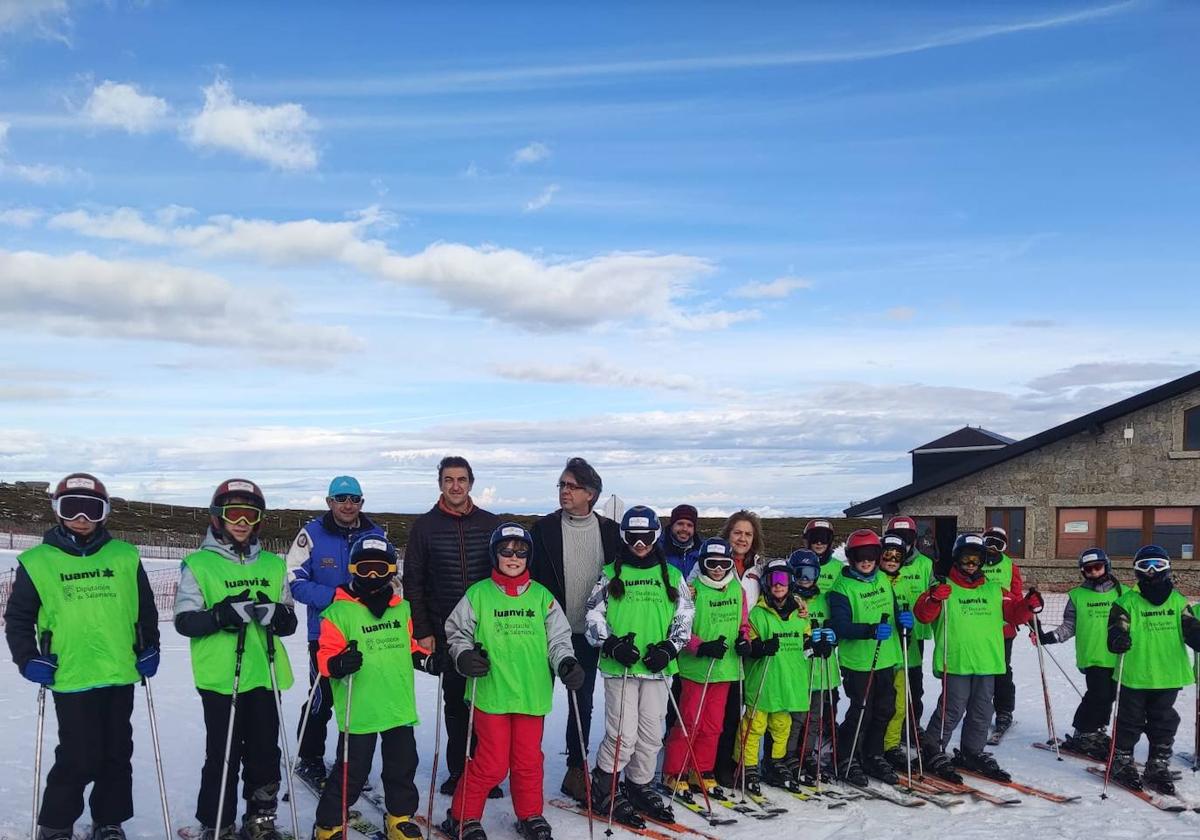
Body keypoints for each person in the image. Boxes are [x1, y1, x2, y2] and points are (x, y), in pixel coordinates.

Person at [4, 473, 160, 840]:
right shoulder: (38, 561)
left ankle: (109, 821)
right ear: (58, 511)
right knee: (79, 755)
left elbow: (146, 610)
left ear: (104, 513)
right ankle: (56, 825)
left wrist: (149, 644)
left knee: (117, 754)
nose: (82, 518)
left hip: (120, 671)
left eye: (91, 509)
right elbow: (18, 618)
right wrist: (27, 658)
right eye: (71, 508)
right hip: (71, 673)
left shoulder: (124, 556)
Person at [442, 524, 585, 840]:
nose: (513, 556)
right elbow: (457, 632)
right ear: (495, 554)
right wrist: (463, 655)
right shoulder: (478, 594)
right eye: (506, 550)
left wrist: (566, 662)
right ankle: (461, 817)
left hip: (531, 694)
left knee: (528, 761)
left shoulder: (542, 597)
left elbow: (558, 638)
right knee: (491, 765)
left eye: (520, 550)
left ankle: (530, 814)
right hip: (491, 693)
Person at [174, 479, 298, 840]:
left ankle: (261, 818)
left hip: (264, 673)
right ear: (218, 517)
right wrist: (220, 616)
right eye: (233, 513)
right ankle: (218, 822)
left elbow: (289, 620)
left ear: (258, 520)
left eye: (250, 514)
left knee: (264, 752)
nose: (241, 521)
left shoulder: (274, 565)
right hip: (220, 676)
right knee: (223, 755)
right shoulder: (198, 564)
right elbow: (184, 621)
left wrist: (276, 614)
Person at [311, 535, 433, 840]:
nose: (373, 576)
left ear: (392, 570)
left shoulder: (401, 609)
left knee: (402, 766)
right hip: (360, 710)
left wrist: (428, 660)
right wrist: (338, 664)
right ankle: (329, 825)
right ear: (353, 569)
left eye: (380, 569)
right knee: (352, 771)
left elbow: (412, 646)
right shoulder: (338, 613)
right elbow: (324, 658)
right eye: (365, 569)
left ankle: (400, 817)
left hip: (397, 705)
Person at [585, 506, 694, 829]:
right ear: (624, 536)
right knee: (623, 733)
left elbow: (685, 617)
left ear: (656, 535)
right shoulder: (610, 573)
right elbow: (593, 614)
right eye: (632, 536)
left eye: (646, 536)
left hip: (657, 669)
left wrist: (669, 647)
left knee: (650, 733)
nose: (639, 543)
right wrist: (612, 644)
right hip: (622, 668)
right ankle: (605, 786)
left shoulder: (671, 576)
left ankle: (639, 784)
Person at [401, 456, 501, 796]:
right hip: (446, 630)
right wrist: (423, 629)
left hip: (489, 630)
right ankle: (459, 770)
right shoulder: (425, 527)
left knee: (487, 703)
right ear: (440, 484)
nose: (455, 486)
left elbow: (504, 574)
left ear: (471, 482)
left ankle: (485, 771)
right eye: (448, 480)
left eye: (461, 479)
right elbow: (413, 581)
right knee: (457, 704)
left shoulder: (490, 524)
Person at [528, 457, 621, 802]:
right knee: (535, 698)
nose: (565, 491)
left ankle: (575, 769)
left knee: (581, 701)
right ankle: (526, 764)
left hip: (588, 633)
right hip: (547, 631)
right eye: (562, 485)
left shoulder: (611, 532)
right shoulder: (544, 529)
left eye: (572, 486)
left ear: (591, 493)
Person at [915, 534, 1040, 784]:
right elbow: (923, 615)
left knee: (982, 710)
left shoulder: (995, 590)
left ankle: (972, 751)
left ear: (982, 561)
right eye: (966, 558)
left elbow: (1014, 614)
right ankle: (931, 750)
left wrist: (1028, 605)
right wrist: (933, 598)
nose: (971, 563)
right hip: (957, 661)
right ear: (957, 558)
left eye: (976, 558)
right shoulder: (944, 587)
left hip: (987, 662)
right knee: (951, 709)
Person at [287, 476, 385, 787]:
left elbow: (391, 577)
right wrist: (332, 597)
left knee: (360, 698)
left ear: (361, 502)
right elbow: (294, 580)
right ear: (329, 502)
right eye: (341, 498)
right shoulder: (311, 534)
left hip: (367, 631)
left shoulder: (375, 533)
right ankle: (310, 756)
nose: (347, 504)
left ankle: (350, 762)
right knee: (322, 697)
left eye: (354, 499)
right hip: (325, 632)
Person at [1105, 545, 1200, 795]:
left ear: (1167, 568)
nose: (1151, 571)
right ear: (1137, 572)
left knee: (1164, 720)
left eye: (1157, 565)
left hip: (1168, 674)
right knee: (1130, 720)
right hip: (1135, 674)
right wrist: (1117, 638)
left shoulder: (1178, 601)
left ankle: (1157, 763)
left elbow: (1190, 628)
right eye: (1145, 566)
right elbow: (1116, 627)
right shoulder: (1126, 602)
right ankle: (1122, 760)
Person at [661, 538, 748, 798]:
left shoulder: (737, 590)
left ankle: (703, 770)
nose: (718, 569)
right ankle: (675, 771)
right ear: (703, 563)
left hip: (725, 668)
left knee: (713, 724)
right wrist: (700, 646)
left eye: (724, 563)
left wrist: (745, 638)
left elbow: (743, 621)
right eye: (712, 563)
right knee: (690, 721)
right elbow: (679, 627)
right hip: (697, 669)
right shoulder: (692, 590)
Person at [1036, 547, 1124, 760]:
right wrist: (1050, 636)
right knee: (1098, 695)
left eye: (1097, 567)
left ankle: (1096, 730)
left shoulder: (1124, 594)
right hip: (1092, 656)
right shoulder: (1077, 595)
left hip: (1119, 657)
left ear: (1106, 566)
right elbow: (1070, 625)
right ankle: (1084, 731)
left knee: (1110, 696)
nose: (1093, 572)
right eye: (1088, 570)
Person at [828, 529, 901, 786]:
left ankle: (873, 754)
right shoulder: (841, 588)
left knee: (885, 709)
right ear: (850, 557)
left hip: (886, 657)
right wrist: (869, 631)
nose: (866, 560)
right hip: (858, 662)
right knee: (861, 711)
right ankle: (846, 757)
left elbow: (892, 610)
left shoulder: (882, 579)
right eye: (860, 556)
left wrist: (904, 621)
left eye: (871, 555)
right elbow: (840, 626)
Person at [735, 559, 812, 794]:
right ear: (766, 584)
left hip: (788, 681)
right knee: (753, 726)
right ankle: (746, 766)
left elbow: (806, 638)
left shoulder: (800, 613)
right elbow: (750, 643)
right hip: (763, 682)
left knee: (782, 725)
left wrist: (815, 646)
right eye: (772, 580)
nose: (778, 585)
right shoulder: (758, 613)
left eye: (783, 580)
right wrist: (760, 647)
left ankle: (774, 762)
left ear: (790, 582)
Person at [705, 510, 766, 788]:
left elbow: (776, 594)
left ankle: (727, 763)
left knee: (733, 711)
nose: (742, 538)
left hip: (744, 647)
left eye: (748, 534)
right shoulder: (711, 562)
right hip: (713, 648)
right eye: (737, 532)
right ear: (728, 534)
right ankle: (702, 763)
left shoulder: (758, 568)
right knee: (708, 711)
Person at [879, 517, 934, 770]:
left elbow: (932, 589)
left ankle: (911, 727)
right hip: (888, 637)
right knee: (888, 691)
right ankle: (883, 734)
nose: (903, 542)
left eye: (907, 537)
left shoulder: (924, 563)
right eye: (897, 536)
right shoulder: (884, 564)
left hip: (914, 634)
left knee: (914, 686)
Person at [788, 550, 839, 782]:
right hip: (799, 670)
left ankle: (807, 752)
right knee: (797, 717)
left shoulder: (825, 599)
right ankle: (787, 754)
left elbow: (836, 626)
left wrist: (832, 637)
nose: (805, 578)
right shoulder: (788, 600)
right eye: (799, 573)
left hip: (821, 670)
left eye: (810, 573)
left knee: (816, 717)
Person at [981, 525, 1023, 740]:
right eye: (989, 542)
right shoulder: (973, 560)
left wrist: (1012, 604)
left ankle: (1004, 710)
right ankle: (980, 709)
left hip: (1003, 628)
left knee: (1001, 669)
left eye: (999, 544)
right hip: (977, 626)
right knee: (979, 671)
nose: (993, 548)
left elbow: (1016, 595)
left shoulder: (1010, 567)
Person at [659, 504, 702, 577]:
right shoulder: (656, 549)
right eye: (680, 524)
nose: (684, 529)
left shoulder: (703, 550)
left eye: (689, 525)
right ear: (672, 525)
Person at [802, 519, 842, 592]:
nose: (819, 543)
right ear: (808, 541)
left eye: (824, 539)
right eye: (814, 538)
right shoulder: (797, 565)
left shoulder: (840, 567)